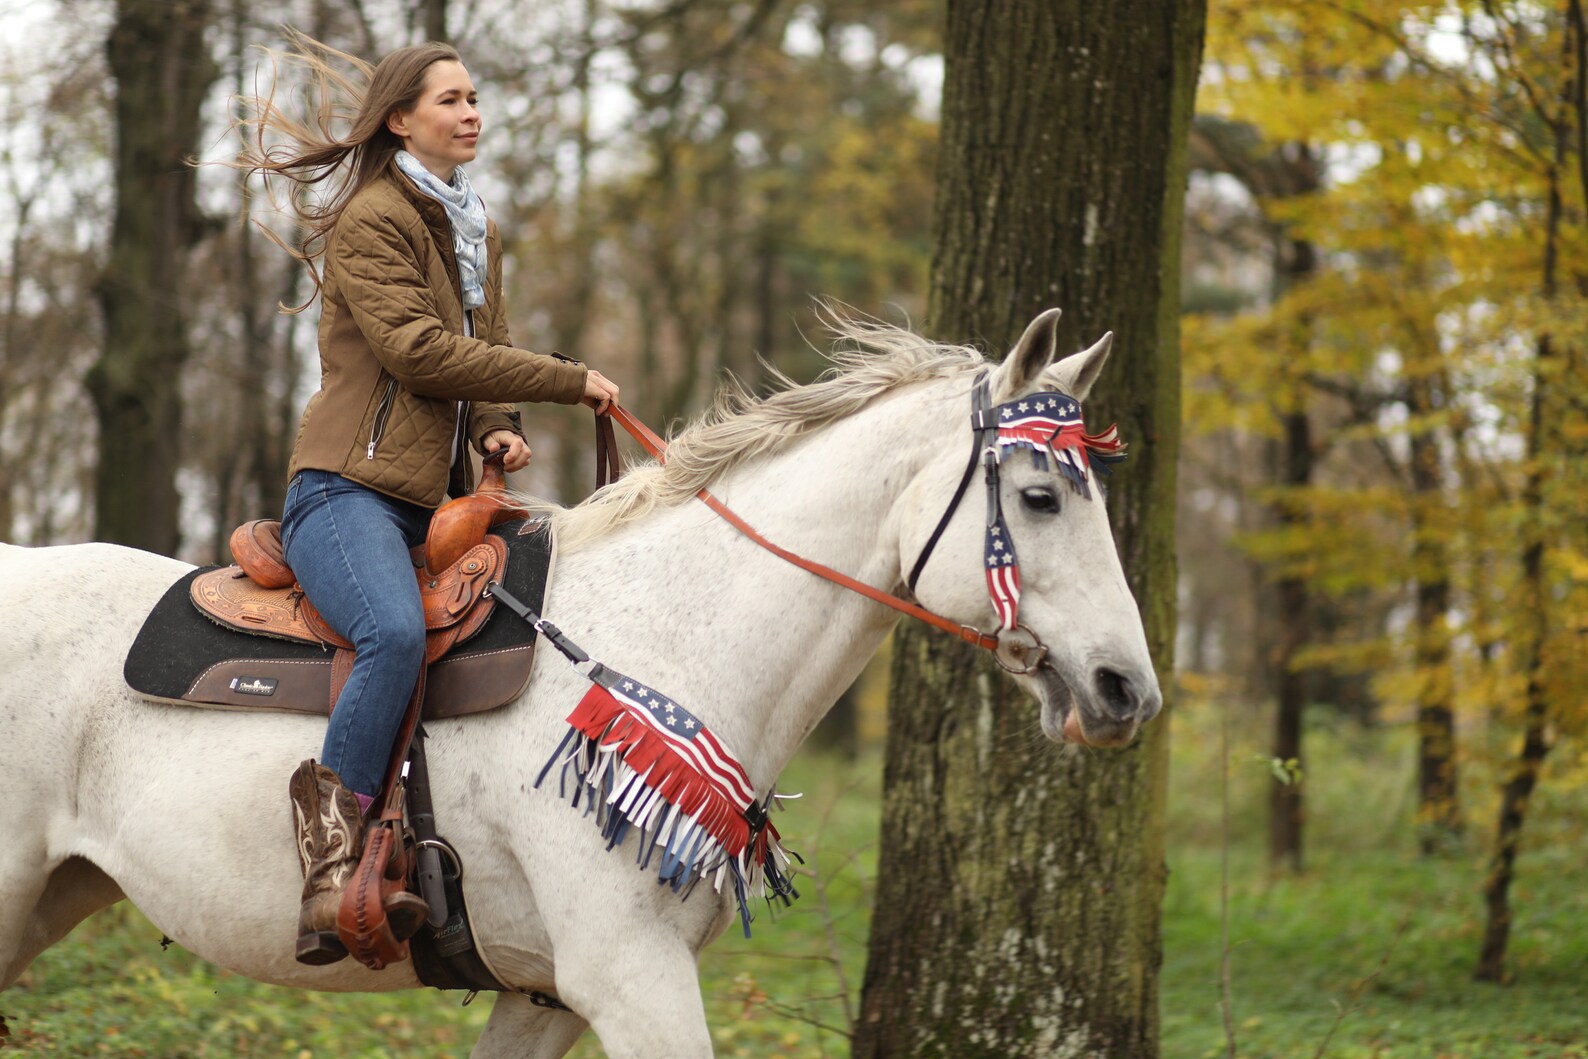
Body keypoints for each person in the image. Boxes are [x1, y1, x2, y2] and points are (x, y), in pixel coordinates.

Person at [233, 34, 620, 966]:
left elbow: (483, 346)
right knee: (394, 635)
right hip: (346, 492)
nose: (471, 112)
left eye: (474, 97)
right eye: (450, 100)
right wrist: (565, 381)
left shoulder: (471, 224)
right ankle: (330, 869)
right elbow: (417, 352)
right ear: (401, 120)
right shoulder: (373, 218)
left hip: (431, 503)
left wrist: (497, 425)